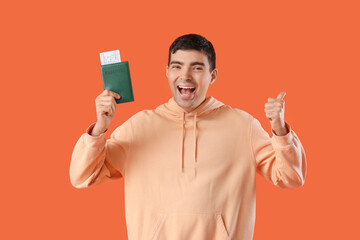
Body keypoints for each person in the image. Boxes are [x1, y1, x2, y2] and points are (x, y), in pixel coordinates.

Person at [70, 34, 306, 240]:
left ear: (213, 75)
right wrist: (99, 128)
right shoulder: (139, 126)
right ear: (167, 72)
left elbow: (292, 177)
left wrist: (281, 131)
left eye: (197, 67)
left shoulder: (243, 125)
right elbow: (81, 177)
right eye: (177, 66)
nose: (186, 75)